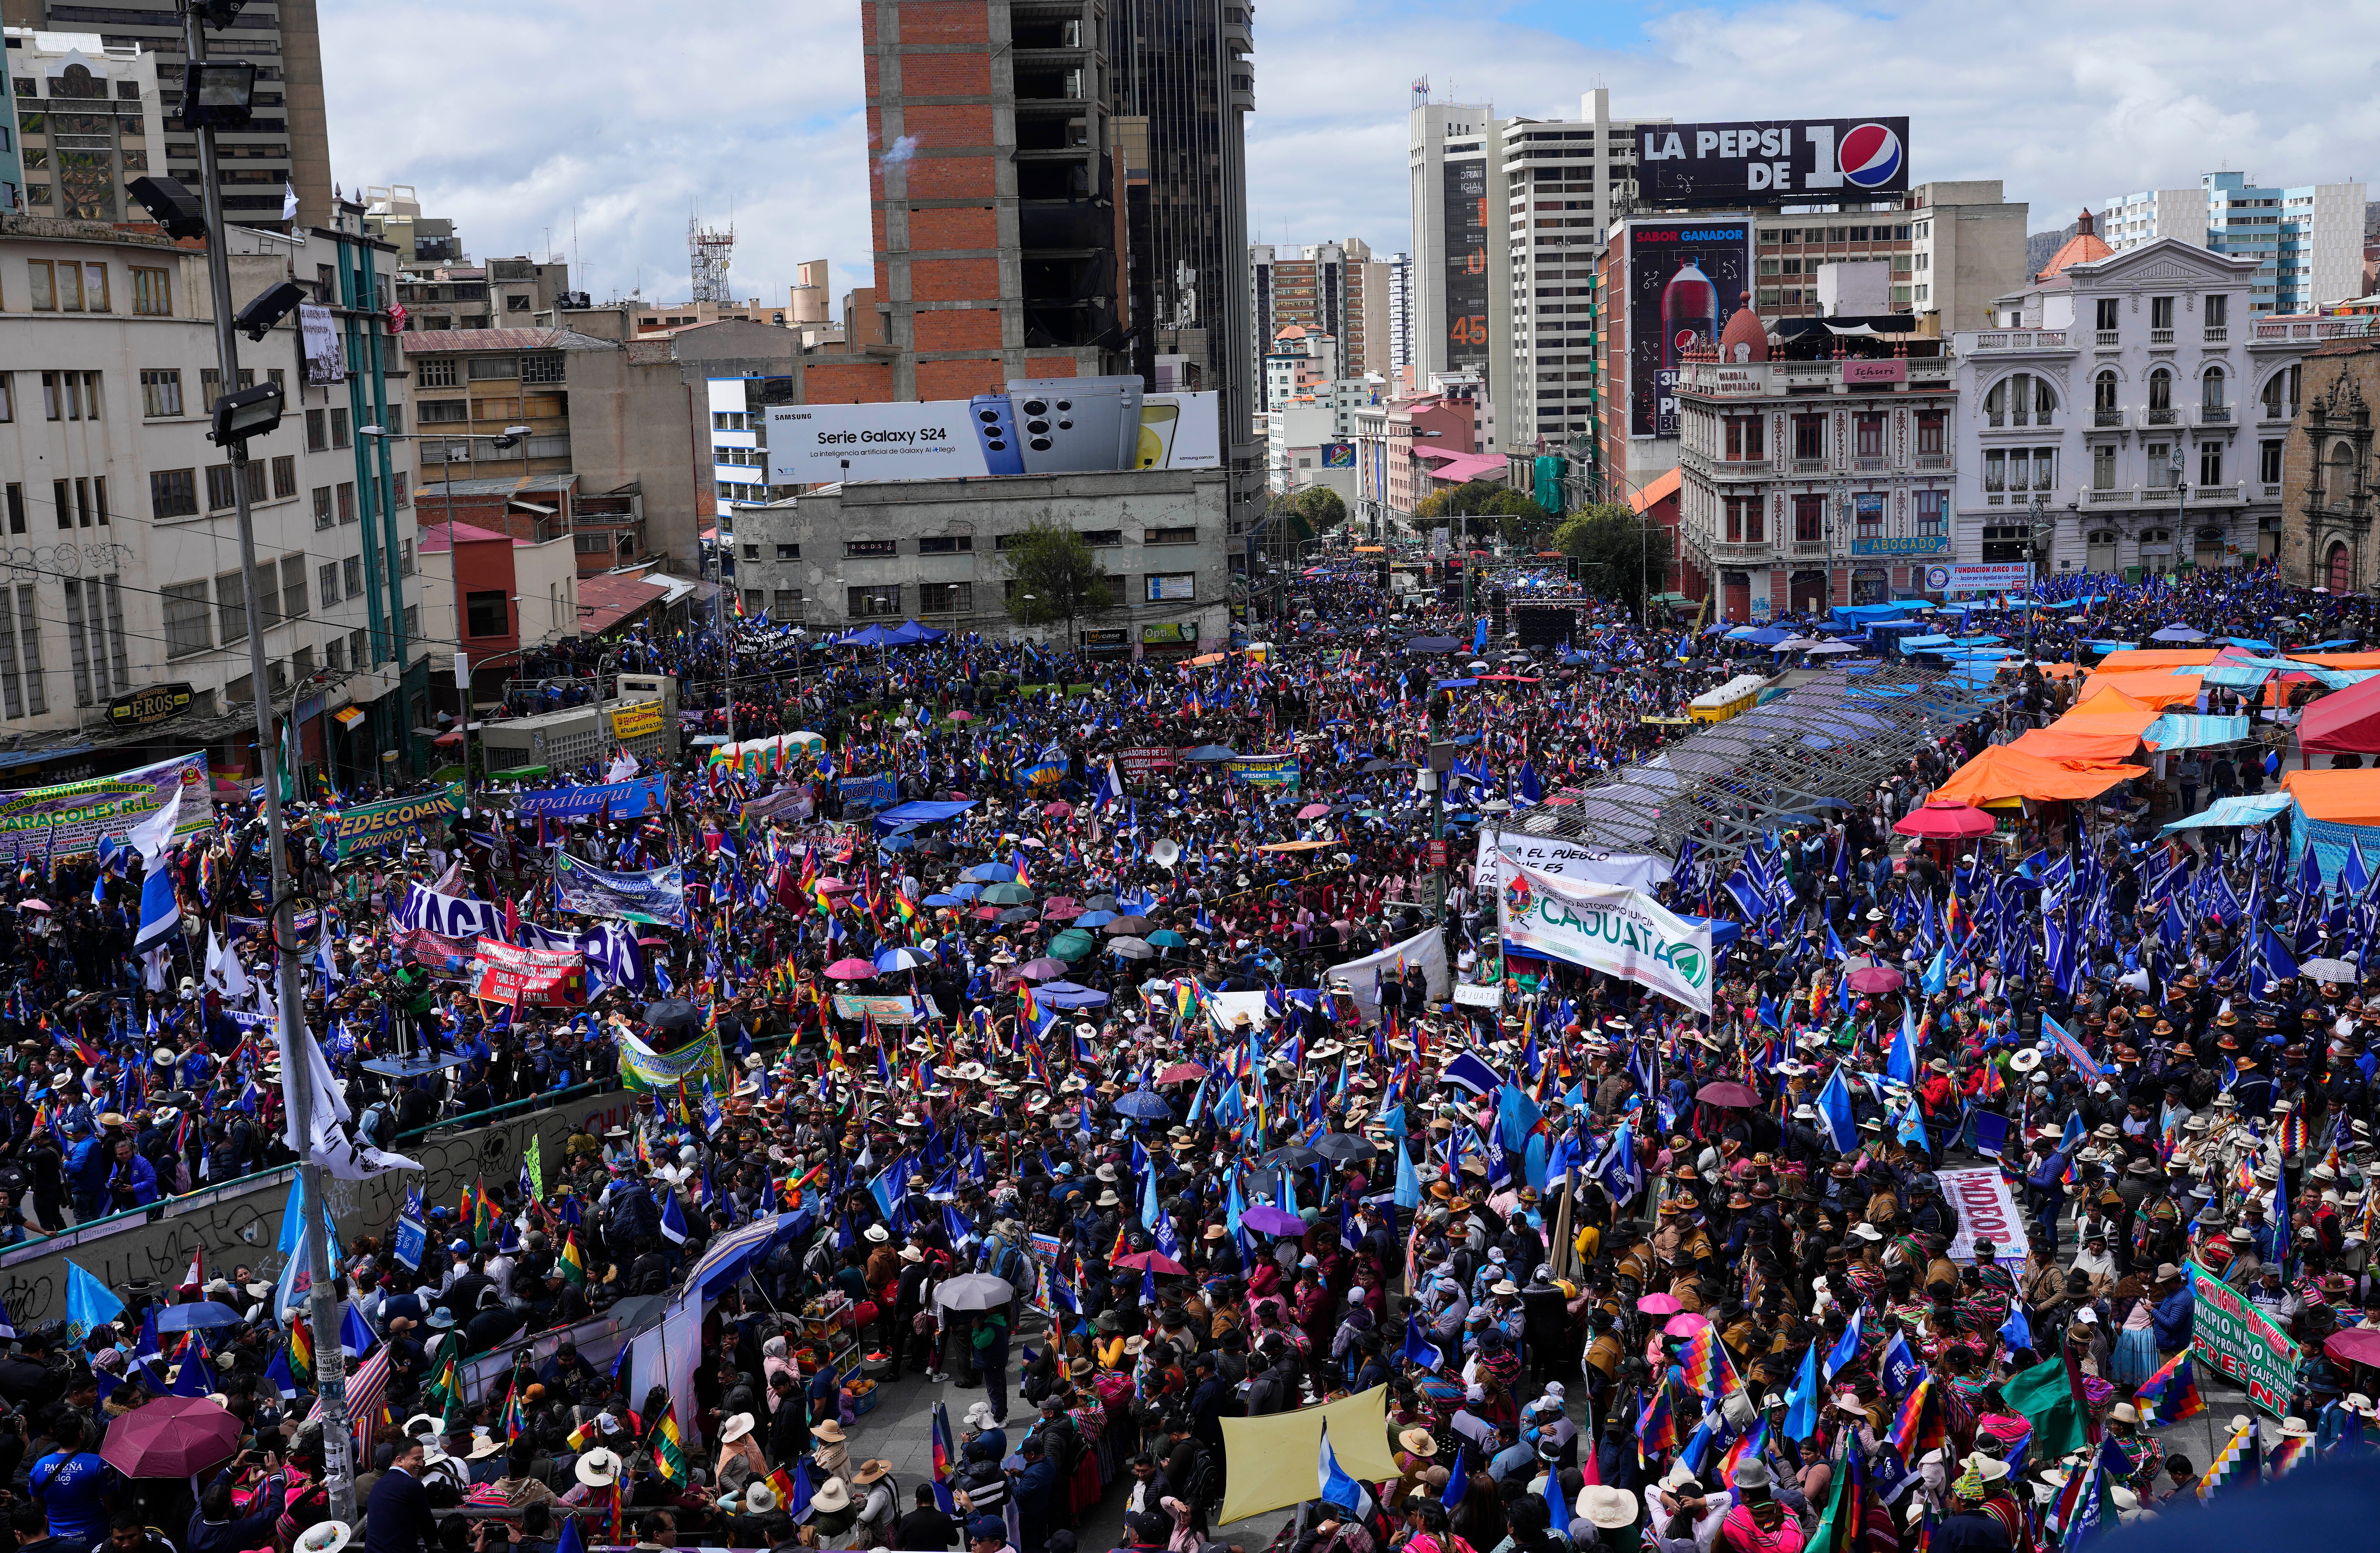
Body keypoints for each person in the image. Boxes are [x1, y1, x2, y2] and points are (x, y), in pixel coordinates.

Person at [30, 1416, 117, 1553]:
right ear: (81, 1434)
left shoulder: (40, 1466)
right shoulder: (97, 1463)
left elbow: (38, 1509)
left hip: (59, 1542)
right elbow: (111, 1506)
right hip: (97, 1540)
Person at [365, 1436, 439, 1553]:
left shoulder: (379, 1484)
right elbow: (427, 1526)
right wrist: (435, 1546)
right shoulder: (412, 1485)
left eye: (422, 1459)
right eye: (417, 1459)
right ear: (400, 1461)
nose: (421, 1464)